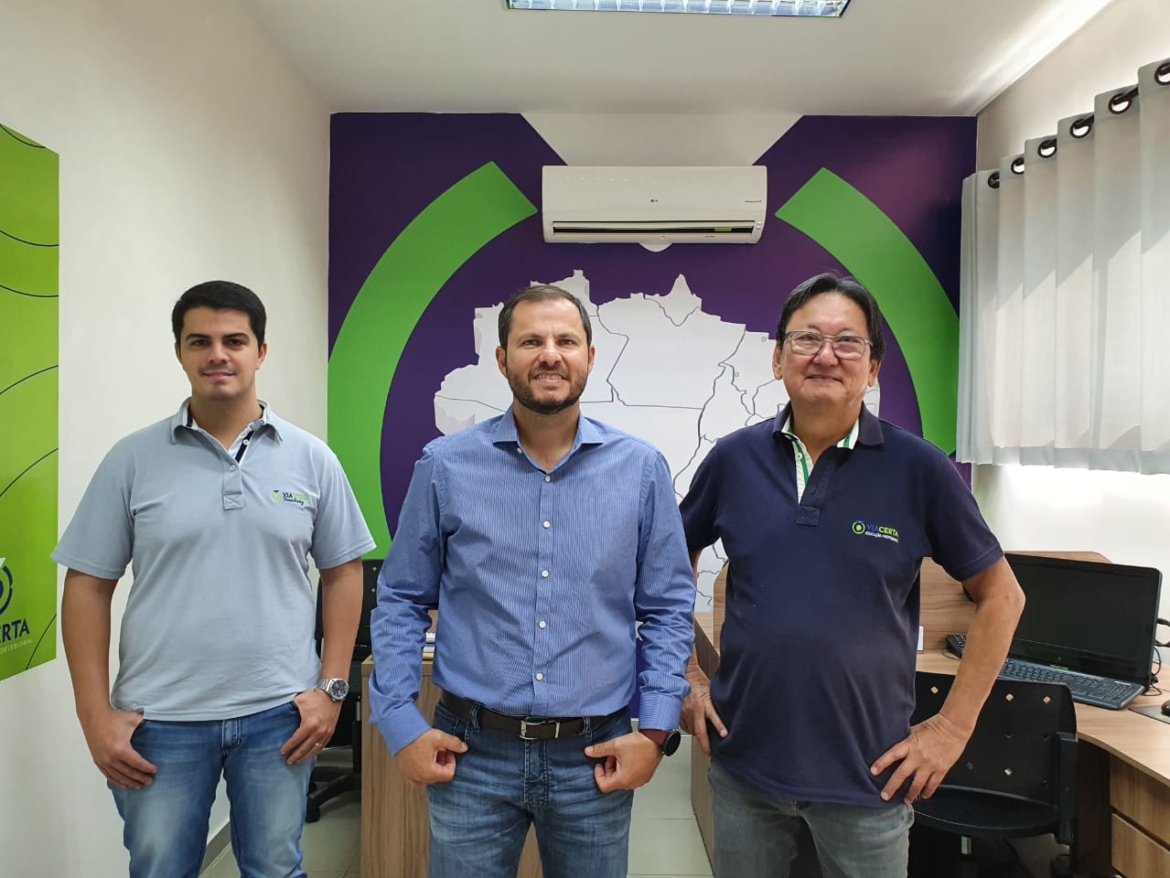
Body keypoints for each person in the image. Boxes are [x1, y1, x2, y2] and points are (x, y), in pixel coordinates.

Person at [680, 273, 1025, 878]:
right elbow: (667, 567)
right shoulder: (732, 460)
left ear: (873, 369)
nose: (826, 355)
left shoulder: (920, 470)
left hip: (870, 779)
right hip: (743, 769)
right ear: (778, 358)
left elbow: (1002, 596)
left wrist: (951, 728)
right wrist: (683, 678)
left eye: (847, 342)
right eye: (807, 338)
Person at [368, 284, 696, 878]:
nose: (550, 354)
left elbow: (669, 607)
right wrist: (399, 722)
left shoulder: (641, 470)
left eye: (566, 340)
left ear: (590, 357)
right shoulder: (445, 466)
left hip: (594, 754)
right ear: (502, 360)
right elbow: (401, 598)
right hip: (470, 753)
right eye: (530, 341)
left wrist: (654, 730)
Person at [53, 281, 375, 878]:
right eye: (199, 341)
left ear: (261, 351)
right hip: (159, 719)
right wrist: (93, 714)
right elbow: (87, 586)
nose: (217, 355)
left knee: (275, 868)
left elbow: (343, 572)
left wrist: (331, 690)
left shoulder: (311, 458)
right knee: (160, 869)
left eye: (234, 341)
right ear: (179, 352)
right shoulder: (131, 460)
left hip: (280, 714)